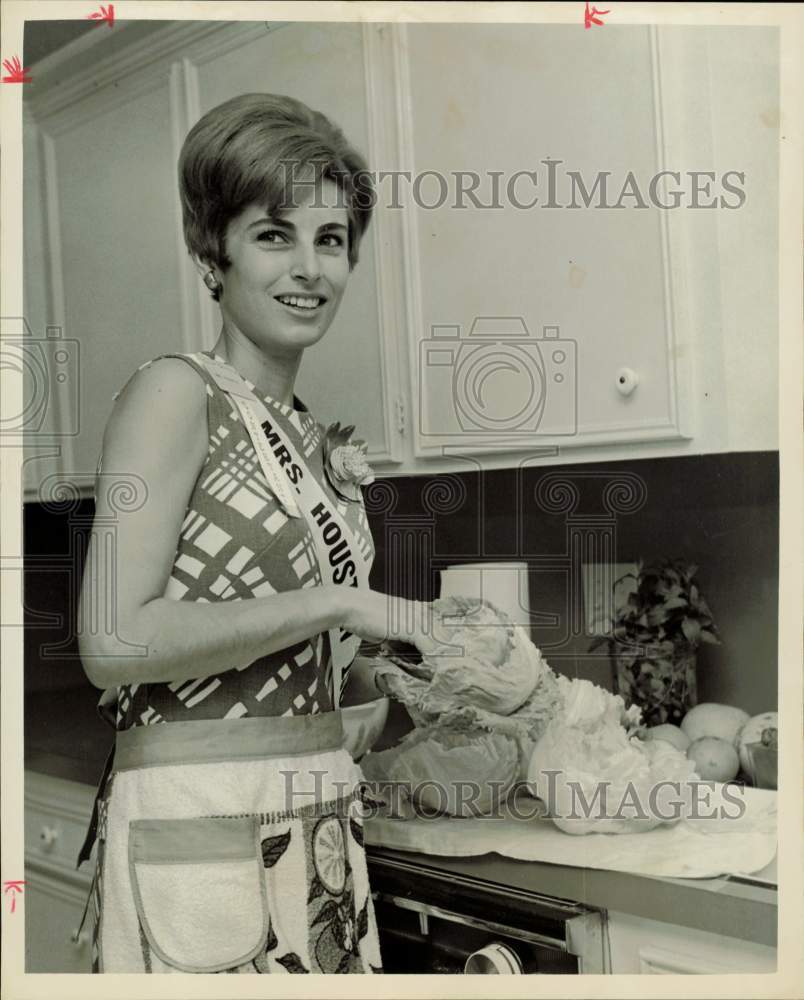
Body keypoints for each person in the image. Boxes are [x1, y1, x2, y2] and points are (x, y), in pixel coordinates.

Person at [76, 92, 437, 975]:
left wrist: (414, 680)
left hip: (316, 814)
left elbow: (292, 649)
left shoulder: (311, 435)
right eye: (274, 235)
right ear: (214, 254)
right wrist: (347, 598)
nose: (309, 267)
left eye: (331, 240)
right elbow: (114, 639)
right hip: (199, 814)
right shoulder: (173, 394)